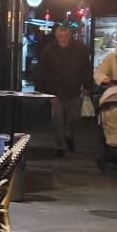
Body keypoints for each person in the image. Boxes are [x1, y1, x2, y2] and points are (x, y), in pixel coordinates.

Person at [35, 23, 93, 156]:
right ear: (56, 36)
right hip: (54, 90)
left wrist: (87, 86)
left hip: (75, 89)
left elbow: (87, 68)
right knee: (57, 118)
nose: (63, 38)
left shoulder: (80, 48)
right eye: (60, 35)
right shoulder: (49, 50)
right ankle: (60, 146)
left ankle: (69, 135)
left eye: (65, 35)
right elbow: (42, 71)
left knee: (74, 118)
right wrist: (42, 89)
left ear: (70, 35)